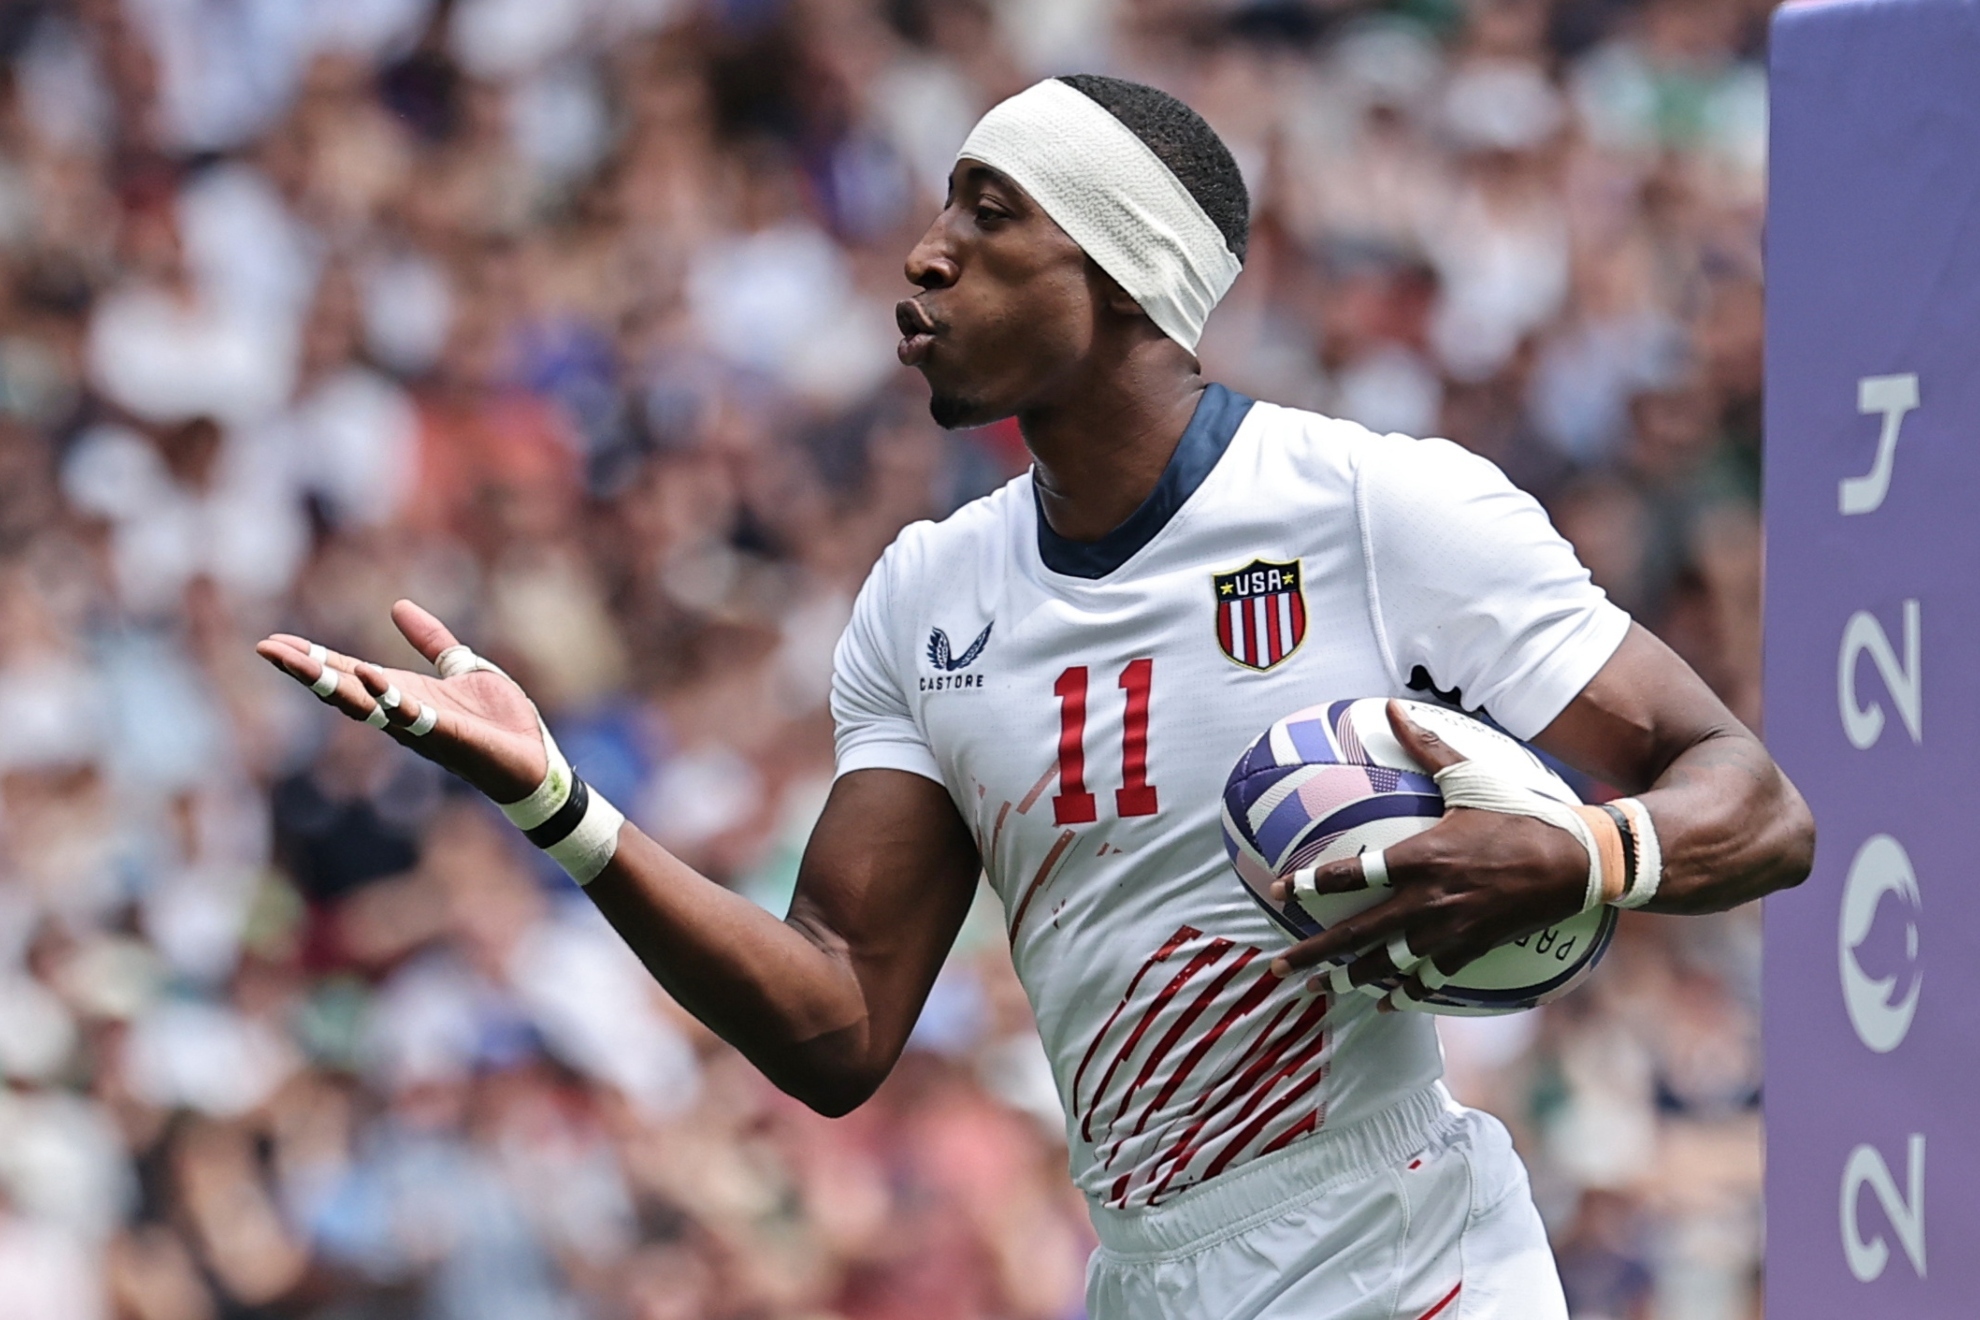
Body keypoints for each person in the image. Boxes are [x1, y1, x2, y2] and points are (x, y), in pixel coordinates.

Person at [257, 75, 1812, 1320]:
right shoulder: (925, 594)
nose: (926, 252)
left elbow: (1752, 799)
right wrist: (560, 804)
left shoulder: (1372, 506)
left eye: (990, 214)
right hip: (1143, 1271)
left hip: (1407, 1254)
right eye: (943, 208)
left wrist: (1590, 851)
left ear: (1127, 274)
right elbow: (838, 1022)